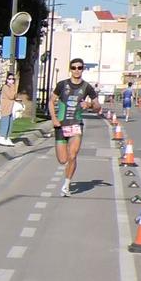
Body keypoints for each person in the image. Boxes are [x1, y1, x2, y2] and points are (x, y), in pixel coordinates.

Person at [51, 59, 101, 195]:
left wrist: (90, 105)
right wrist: (54, 119)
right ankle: (67, 174)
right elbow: (51, 101)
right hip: (61, 125)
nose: (77, 70)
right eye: (74, 68)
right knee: (63, 160)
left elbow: (98, 107)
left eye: (79, 68)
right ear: (70, 69)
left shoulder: (87, 87)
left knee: (72, 156)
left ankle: (66, 185)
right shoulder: (62, 85)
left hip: (76, 125)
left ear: (83, 69)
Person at [0, 69, 19, 148]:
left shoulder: (12, 87)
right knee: (5, 122)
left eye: (12, 79)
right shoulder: (5, 87)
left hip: (11, 108)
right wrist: (13, 87)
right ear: (6, 79)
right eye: (9, 79)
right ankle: (2, 137)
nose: (11, 80)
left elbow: (15, 96)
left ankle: (7, 137)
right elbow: (11, 96)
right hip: (6, 107)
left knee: (10, 123)